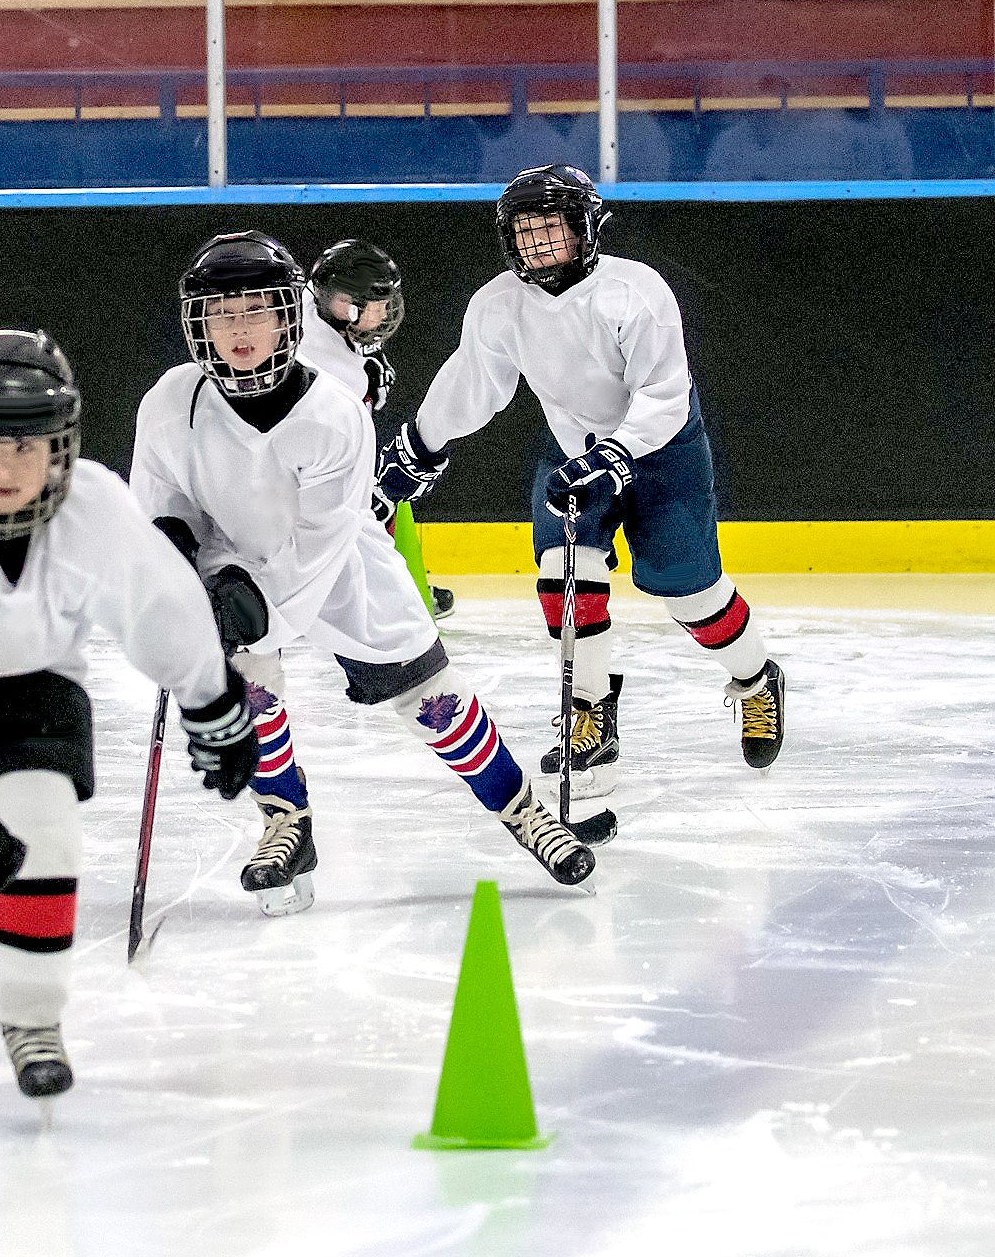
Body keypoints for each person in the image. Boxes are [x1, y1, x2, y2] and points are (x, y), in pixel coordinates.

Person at [131, 231, 597, 918]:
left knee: (434, 700)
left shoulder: (334, 415)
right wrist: (172, 548)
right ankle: (286, 821)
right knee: (251, 691)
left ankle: (522, 809)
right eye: (221, 314)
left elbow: (315, 548)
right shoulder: (173, 400)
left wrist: (247, 611)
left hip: (341, 568)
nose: (239, 330)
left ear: (287, 314)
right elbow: (162, 493)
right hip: (228, 561)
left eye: (255, 310)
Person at [0, 328, 256, 1099]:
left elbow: (158, 603)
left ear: (61, 447)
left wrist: (213, 698)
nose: (5, 470)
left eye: (25, 447)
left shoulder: (95, 508)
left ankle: (33, 1018)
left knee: (43, 826)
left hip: (33, 684)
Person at [380, 164, 784, 795]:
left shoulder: (635, 292)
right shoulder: (498, 305)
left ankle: (757, 678)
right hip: (573, 450)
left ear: (587, 229)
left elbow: (663, 394)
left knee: (689, 592)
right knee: (565, 574)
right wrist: (421, 445)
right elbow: (472, 384)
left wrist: (617, 454)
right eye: (525, 232)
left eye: (553, 229)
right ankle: (589, 712)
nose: (538, 245)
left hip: (664, 450)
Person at [298, 238, 455, 619]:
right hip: (293, 482)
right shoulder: (328, 372)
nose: (383, 314)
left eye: (385, 302)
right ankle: (380, 596)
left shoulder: (313, 305)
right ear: (342, 304)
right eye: (374, 304)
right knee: (371, 513)